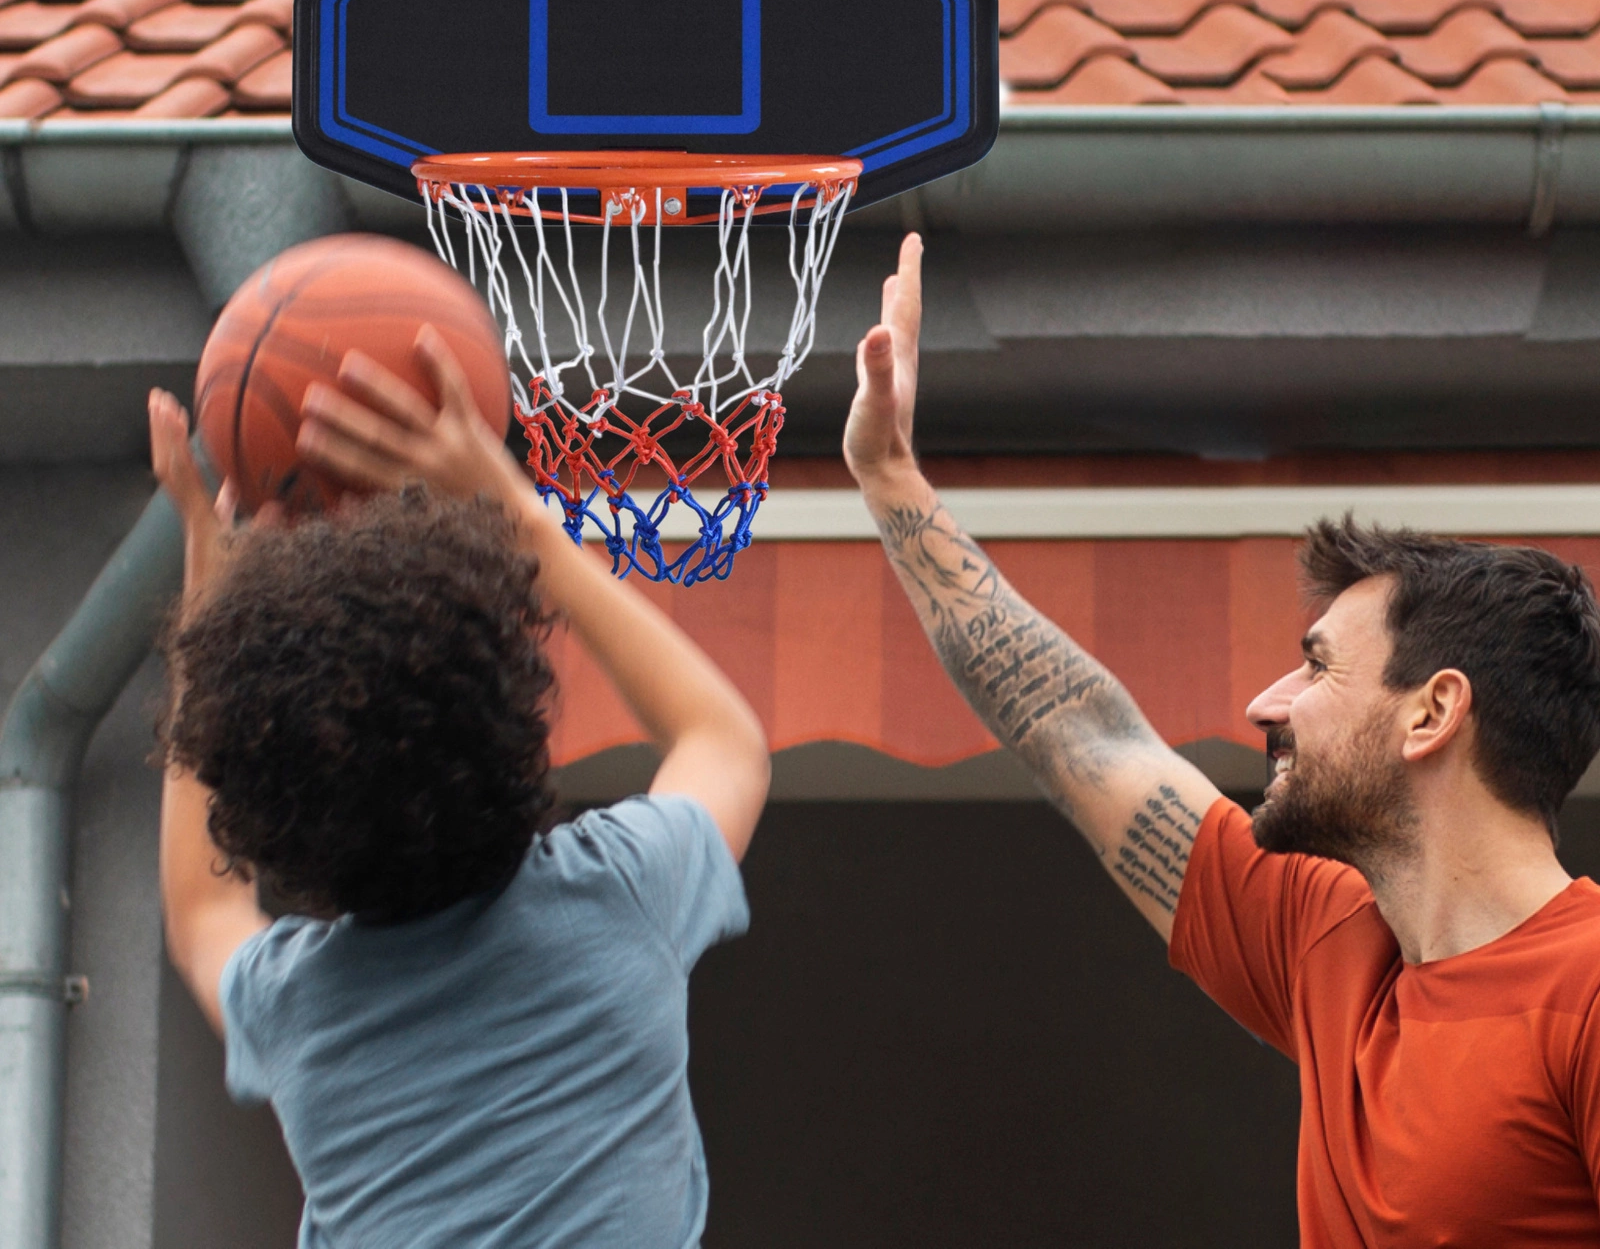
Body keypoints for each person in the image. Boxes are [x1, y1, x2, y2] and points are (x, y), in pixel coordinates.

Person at [844, 234, 1600, 1247]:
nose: (1263, 702)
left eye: (1318, 666)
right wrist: (891, 479)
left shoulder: (1586, 991)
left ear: (1432, 712)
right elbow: (1085, 734)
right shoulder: (1329, 936)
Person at [149, 327, 770, 1249]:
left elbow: (202, 911)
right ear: (519, 726)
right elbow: (725, 738)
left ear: (269, 821)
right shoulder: (622, 895)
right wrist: (511, 510)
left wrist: (210, 588)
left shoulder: (298, 1009)